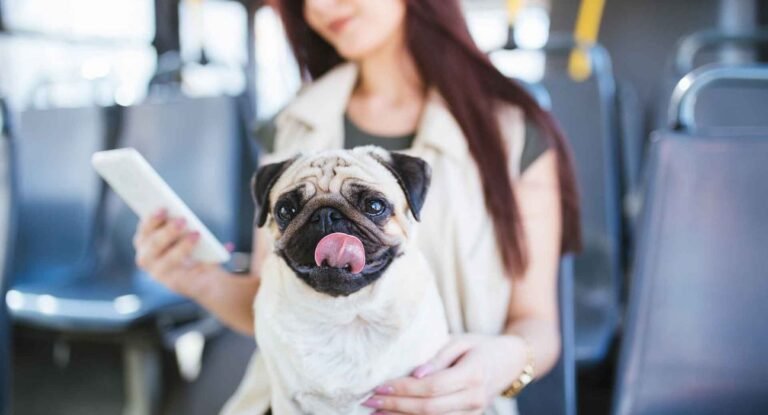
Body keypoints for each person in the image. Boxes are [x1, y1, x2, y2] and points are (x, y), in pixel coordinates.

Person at [133, 0, 581, 413]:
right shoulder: (290, 126)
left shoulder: (513, 132)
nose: (322, 6)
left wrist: (502, 363)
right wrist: (198, 280)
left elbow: (538, 324)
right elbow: (270, 299)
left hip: (445, 400)